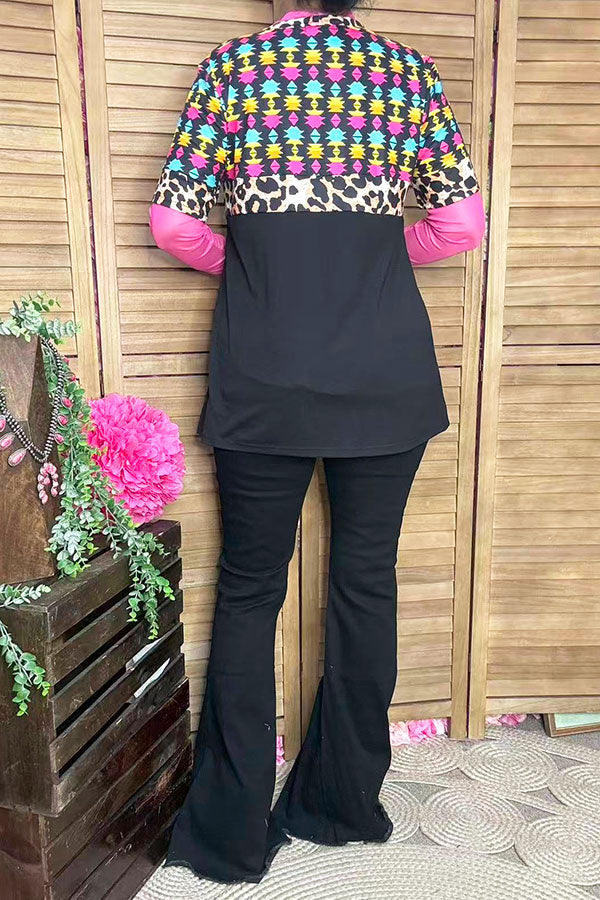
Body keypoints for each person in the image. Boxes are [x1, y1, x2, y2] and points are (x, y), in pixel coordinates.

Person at [149, 0, 485, 885]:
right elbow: (460, 226)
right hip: (386, 374)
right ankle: (341, 804)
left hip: (266, 372)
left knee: (249, 590)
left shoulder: (234, 70)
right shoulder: (406, 74)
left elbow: (175, 226)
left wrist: (256, 261)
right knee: (366, 580)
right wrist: (373, 256)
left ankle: (227, 834)